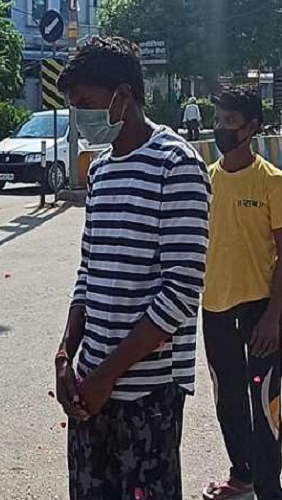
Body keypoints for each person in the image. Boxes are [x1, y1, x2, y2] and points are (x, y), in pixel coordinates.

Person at [53, 37, 210, 499]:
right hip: (89, 385)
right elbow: (88, 270)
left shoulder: (176, 164)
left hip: (148, 392)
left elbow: (181, 290)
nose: (80, 116)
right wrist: (67, 354)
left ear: (123, 96)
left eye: (86, 104)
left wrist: (109, 375)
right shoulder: (99, 169)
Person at [201, 90, 282, 500]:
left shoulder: (271, 181)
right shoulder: (206, 180)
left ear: (252, 129)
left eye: (230, 121)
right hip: (214, 309)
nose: (220, 128)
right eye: (218, 119)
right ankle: (243, 476)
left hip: (259, 311)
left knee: (266, 400)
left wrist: (273, 316)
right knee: (228, 398)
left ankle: (270, 488)